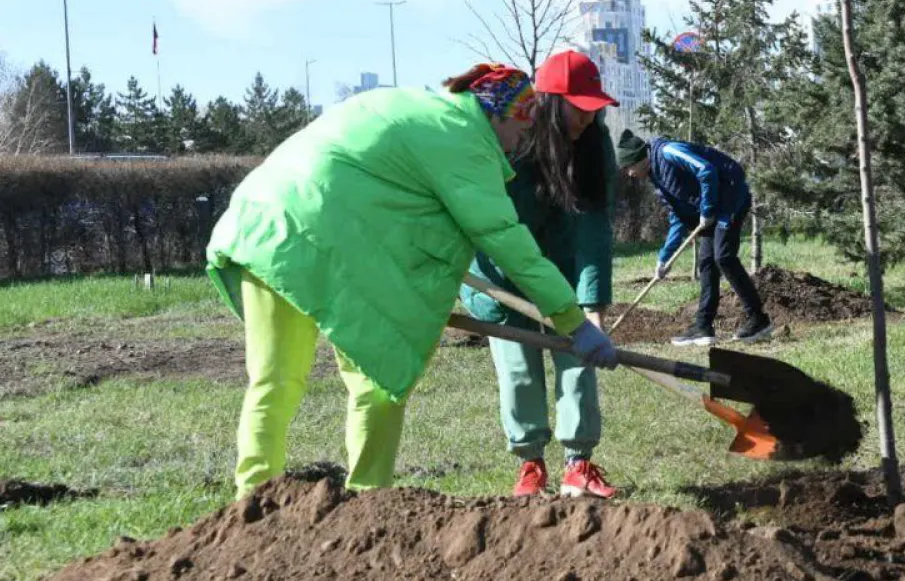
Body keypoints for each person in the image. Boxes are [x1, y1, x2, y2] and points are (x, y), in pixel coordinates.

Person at [206, 64, 620, 500]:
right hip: (323, 241)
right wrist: (574, 321)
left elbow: (389, 203)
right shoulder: (465, 140)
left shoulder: (420, 108)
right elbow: (504, 239)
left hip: (263, 226)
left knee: (274, 380)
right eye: (521, 129)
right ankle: (369, 501)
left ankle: (251, 501)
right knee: (377, 383)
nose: (521, 142)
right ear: (499, 116)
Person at [459, 50, 621, 499]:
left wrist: (591, 305)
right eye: (579, 106)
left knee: (578, 358)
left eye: (594, 108)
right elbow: (489, 221)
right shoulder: (512, 139)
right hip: (501, 273)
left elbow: (594, 227)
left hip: (562, 271)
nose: (588, 117)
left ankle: (578, 464)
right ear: (549, 102)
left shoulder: (594, 145)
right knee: (518, 370)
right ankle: (531, 464)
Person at [616, 130, 773, 346]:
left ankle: (758, 319)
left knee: (724, 257)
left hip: (730, 198)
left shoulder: (669, 152)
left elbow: (706, 170)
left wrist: (707, 210)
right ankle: (703, 327)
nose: (629, 174)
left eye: (628, 167)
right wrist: (664, 259)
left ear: (639, 159)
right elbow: (677, 216)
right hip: (712, 210)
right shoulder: (657, 178)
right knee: (707, 264)